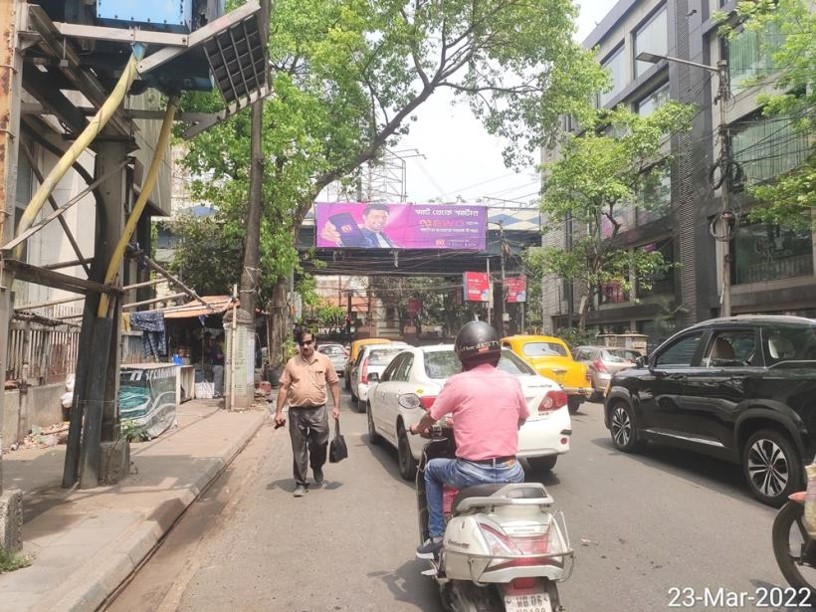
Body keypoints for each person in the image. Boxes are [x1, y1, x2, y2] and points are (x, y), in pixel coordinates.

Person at [409, 321, 529, 559]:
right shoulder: (511, 381)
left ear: (462, 356)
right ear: (496, 353)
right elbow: (521, 418)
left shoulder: (457, 383)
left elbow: (431, 416)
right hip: (512, 471)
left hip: (472, 472)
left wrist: (417, 428)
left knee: (432, 469)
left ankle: (436, 537)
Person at [274, 329, 341, 497]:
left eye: (309, 342)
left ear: (314, 342)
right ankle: (300, 482)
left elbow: (333, 383)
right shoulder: (292, 363)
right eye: (302, 343)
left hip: (318, 410)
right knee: (298, 448)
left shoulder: (324, 361)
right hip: (296, 412)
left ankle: (317, 465)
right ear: (299, 345)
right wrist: (278, 412)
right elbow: (283, 388)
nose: (306, 346)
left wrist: (336, 407)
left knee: (320, 443)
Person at [320, 203, 396, 248]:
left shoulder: (384, 236)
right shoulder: (358, 235)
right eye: (375, 217)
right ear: (364, 217)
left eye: (384, 217)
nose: (381, 220)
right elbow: (354, 245)